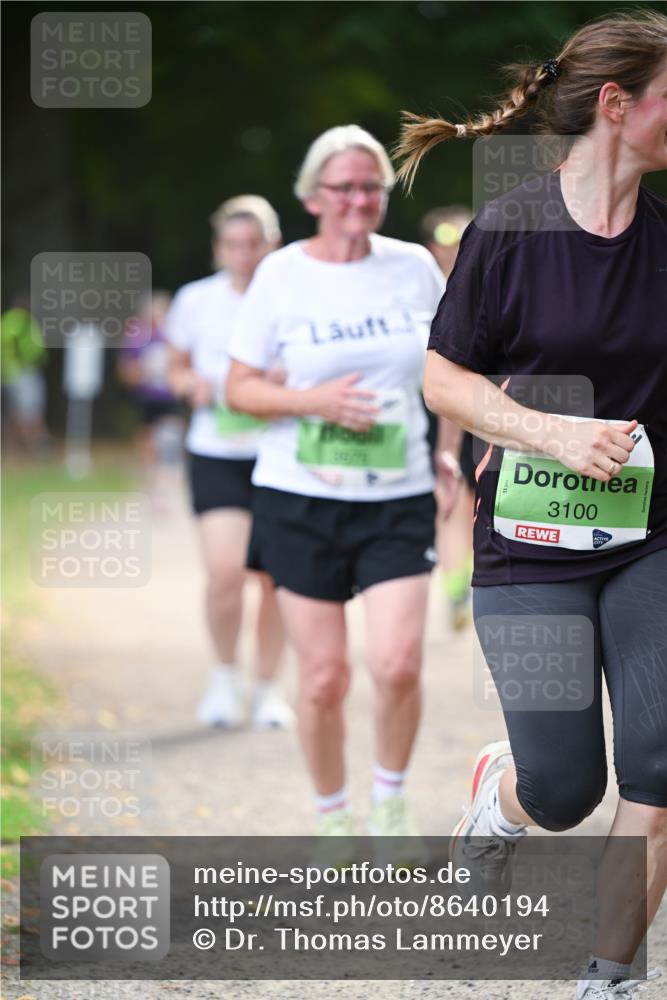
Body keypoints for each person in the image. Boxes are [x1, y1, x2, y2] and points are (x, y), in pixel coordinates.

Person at [396, 9, 666, 998]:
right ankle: (501, 800)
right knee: (564, 788)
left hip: (650, 540)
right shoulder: (512, 228)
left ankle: (608, 973)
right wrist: (554, 434)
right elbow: (443, 379)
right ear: (617, 104)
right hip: (528, 546)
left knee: (659, 756)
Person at [225, 125, 453, 845]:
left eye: (371, 187)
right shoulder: (282, 273)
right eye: (344, 187)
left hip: (397, 495)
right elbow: (238, 389)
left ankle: (388, 803)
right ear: (312, 196)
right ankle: (331, 816)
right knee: (323, 678)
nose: (358, 199)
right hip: (300, 498)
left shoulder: (415, 265)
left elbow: (450, 368)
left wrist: (448, 450)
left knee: (396, 662)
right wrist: (311, 402)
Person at [166, 195, 292, 730]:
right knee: (224, 573)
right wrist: (190, 384)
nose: (244, 254)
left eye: (255, 243)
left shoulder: (293, 297)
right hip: (217, 450)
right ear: (220, 248)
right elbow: (175, 367)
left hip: (280, 452)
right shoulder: (195, 300)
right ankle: (223, 675)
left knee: (274, 580)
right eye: (234, 245)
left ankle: (266, 687)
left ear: (273, 245)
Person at [421, 207, 475, 629]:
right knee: (451, 502)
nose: (453, 244)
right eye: (444, 235)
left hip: (485, 411)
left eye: (463, 235)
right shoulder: (422, 292)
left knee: (478, 505)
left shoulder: (493, 282)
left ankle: (471, 581)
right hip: (434, 414)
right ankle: (456, 589)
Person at [117, 291, 184, 511]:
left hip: (170, 398)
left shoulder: (176, 336)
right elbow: (126, 372)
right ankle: (153, 490)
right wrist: (142, 371)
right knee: (149, 445)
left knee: (171, 441)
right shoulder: (137, 337)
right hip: (146, 398)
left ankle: (170, 488)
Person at [1, 295, 51, 458]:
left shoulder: (6, 321)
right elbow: (36, 350)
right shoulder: (25, 323)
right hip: (25, 373)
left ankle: (13, 450)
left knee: (13, 413)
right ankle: (37, 449)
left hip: (7, 374)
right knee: (31, 412)